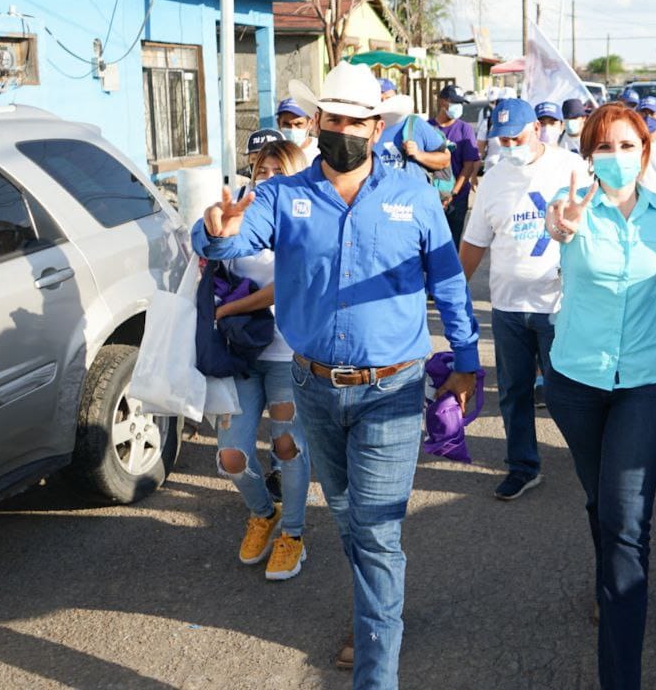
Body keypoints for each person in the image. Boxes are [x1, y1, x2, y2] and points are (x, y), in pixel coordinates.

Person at [193, 61, 480, 689]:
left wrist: (466, 360)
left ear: (376, 126)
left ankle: (376, 672)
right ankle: (381, 608)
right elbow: (231, 237)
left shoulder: (413, 197)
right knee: (351, 517)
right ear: (318, 121)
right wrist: (215, 233)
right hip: (314, 387)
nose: (341, 129)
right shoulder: (282, 195)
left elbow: (451, 284)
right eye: (332, 118)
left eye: (355, 120)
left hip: (392, 390)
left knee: (376, 531)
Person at [541, 104, 656, 690]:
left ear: (646, 152)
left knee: (627, 522)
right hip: (576, 382)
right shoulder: (570, 201)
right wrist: (563, 224)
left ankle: (619, 675)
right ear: (588, 155)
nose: (617, 157)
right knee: (599, 500)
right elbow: (559, 225)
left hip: (648, 382)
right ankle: (607, 574)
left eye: (628, 146)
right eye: (604, 147)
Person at [461, 98, 585, 501]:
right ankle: (522, 466)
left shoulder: (570, 166)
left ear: (536, 127)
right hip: (509, 307)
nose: (510, 144)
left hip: (559, 305)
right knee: (514, 391)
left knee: (567, 390)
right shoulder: (495, 178)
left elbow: (596, 227)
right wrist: (453, 290)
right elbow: (475, 242)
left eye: (517, 136)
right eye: (503, 139)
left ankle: (590, 458)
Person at [213, 139, 311, 582]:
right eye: (262, 170)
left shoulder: (306, 223)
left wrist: (228, 310)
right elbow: (218, 266)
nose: (268, 178)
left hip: (290, 354)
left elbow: (288, 285)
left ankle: (292, 533)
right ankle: (262, 513)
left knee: (287, 446)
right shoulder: (242, 221)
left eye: (278, 170)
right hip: (241, 354)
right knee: (232, 455)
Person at [430, 83, 481, 246]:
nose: (458, 107)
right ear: (442, 102)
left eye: (460, 103)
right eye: (454, 102)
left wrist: (452, 194)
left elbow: (468, 166)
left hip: (456, 198)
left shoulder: (464, 129)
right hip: (431, 196)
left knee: (452, 243)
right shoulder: (426, 127)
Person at [276, 98, 321, 162]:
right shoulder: (273, 152)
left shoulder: (320, 151)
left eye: (298, 124)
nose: (292, 129)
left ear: (311, 123)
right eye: (286, 124)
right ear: (278, 123)